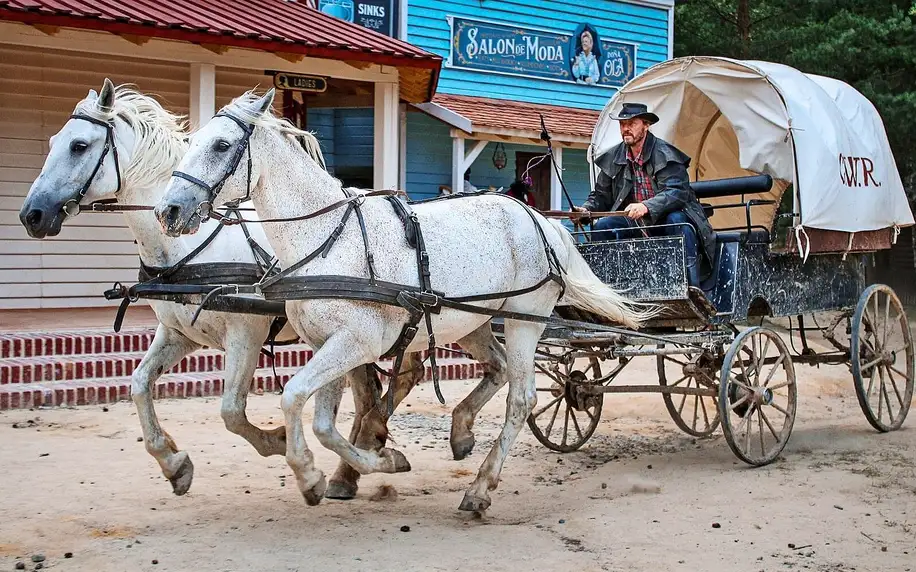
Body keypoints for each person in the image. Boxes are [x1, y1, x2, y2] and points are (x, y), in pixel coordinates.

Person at [571, 102, 715, 287]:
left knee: (678, 221)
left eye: (632, 123)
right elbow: (601, 196)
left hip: (667, 218)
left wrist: (647, 206)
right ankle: (607, 289)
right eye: (623, 124)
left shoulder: (666, 154)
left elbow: (677, 192)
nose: (626, 129)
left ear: (646, 125)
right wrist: (585, 210)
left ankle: (689, 286)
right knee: (604, 226)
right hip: (635, 221)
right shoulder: (614, 157)